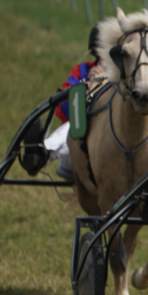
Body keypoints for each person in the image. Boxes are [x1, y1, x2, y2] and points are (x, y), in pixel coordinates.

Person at [44, 26, 104, 180]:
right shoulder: (82, 70)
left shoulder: (125, 78)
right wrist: (86, 84)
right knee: (74, 127)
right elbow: (62, 111)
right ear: (94, 51)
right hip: (74, 149)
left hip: (107, 145)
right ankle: (43, 152)